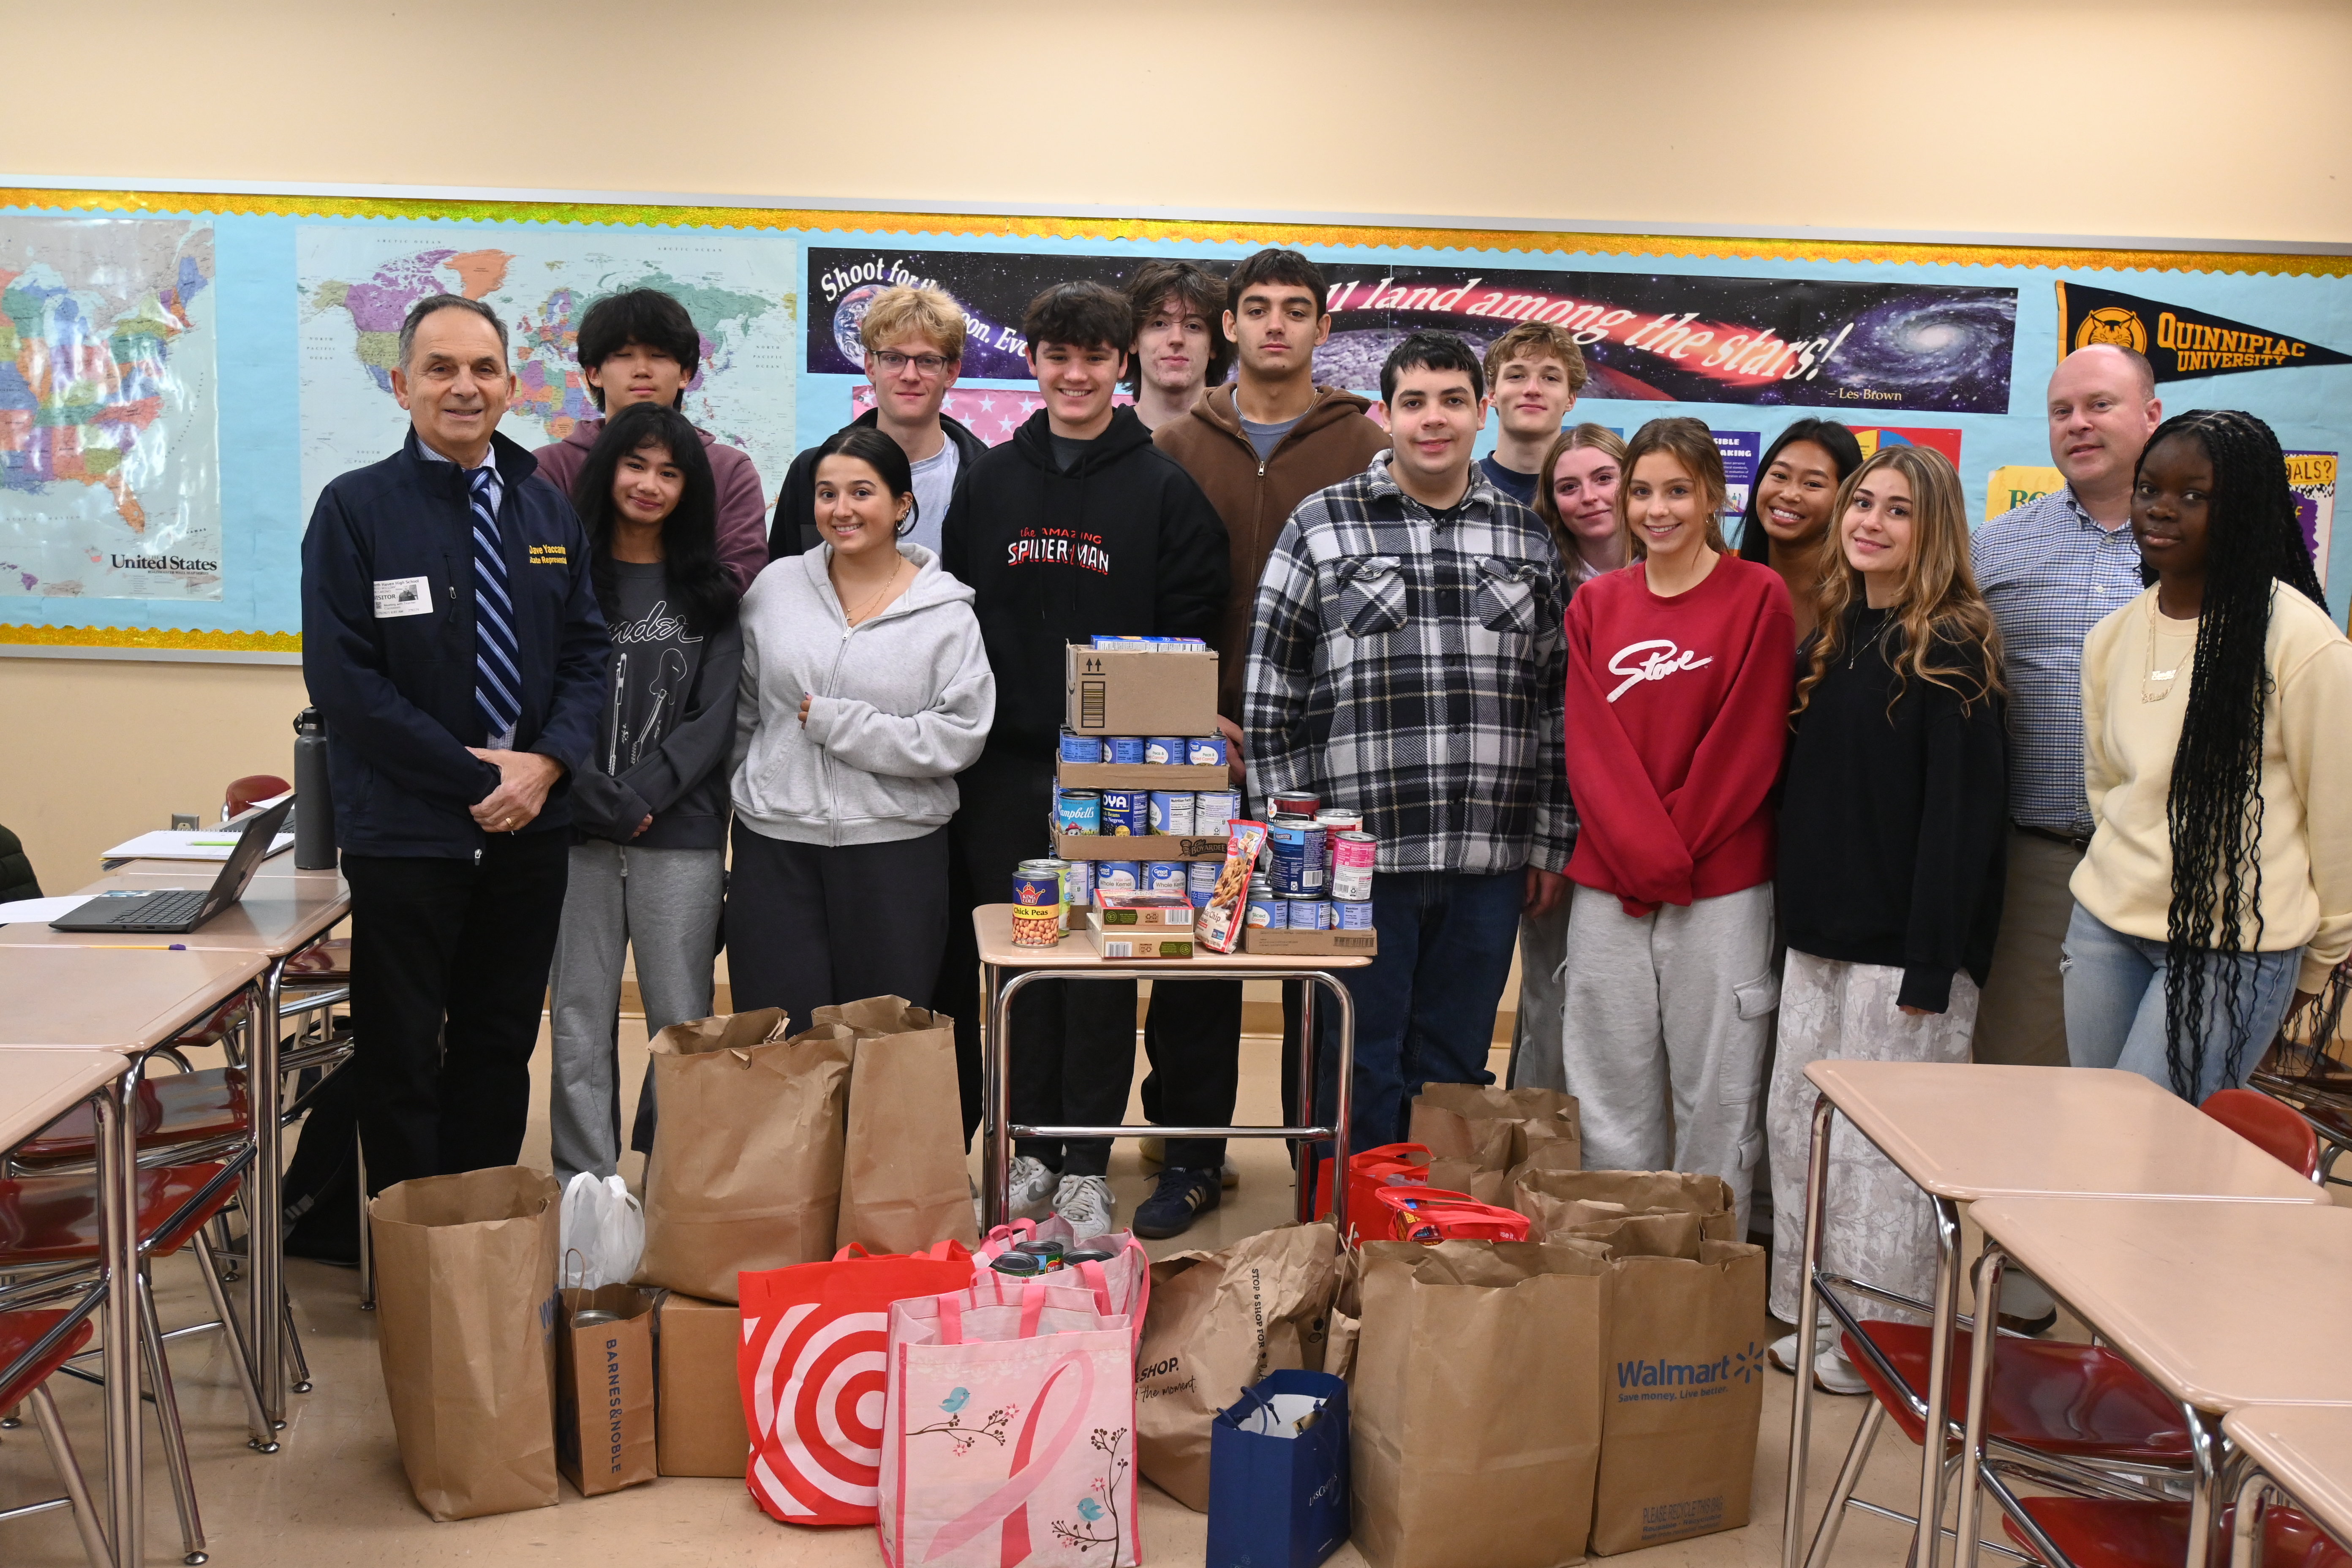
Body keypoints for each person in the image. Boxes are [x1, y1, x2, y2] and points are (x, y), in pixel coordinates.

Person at [939, 281, 1228, 1239]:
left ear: (1121, 366)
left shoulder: (1164, 490)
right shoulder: (988, 481)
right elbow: (958, 619)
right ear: (1032, 361)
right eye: (1057, 355)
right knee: (1020, 967)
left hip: (1119, 777)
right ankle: (1023, 1147)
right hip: (1002, 767)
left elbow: (1191, 633)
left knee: (1102, 972)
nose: (1074, 373)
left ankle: (1085, 1164)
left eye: (1094, 357)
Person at [301, 293, 608, 1195]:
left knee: (499, 1043)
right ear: (400, 385)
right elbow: (347, 684)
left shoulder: (547, 510)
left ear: (512, 386)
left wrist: (545, 766)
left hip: (530, 833)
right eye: (440, 368)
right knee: (399, 1055)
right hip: (409, 834)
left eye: (482, 368)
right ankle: (414, 1262)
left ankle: (479, 1248)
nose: (463, 386)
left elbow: (589, 655)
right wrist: (479, 776)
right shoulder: (355, 509)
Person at [1244, 329, 1571, 1164]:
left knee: (1454, 1070)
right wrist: (1294, 846)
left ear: (1481, 412)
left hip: (1484, 865)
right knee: (1355, 1065)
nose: (1435, 419)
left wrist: (1546, 839)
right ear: (1385, 415)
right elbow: (1272, 690)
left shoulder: (1526, 540)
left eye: (1454, 401)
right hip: (1359, 863)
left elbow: (1553, 706)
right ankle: (1342, 1243)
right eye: (1415, 402)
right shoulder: (1319, 526)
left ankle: (1428, 1264)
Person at [1149, 247, 1388, 1233]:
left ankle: (1316, 1168)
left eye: (1296, 309)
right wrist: (1184, 702)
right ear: (1230, 328)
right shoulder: (1174, 443)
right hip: (1197, 747)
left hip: (1325, 754)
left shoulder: (1363, 446)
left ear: (1324, 329)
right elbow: (1151, 602)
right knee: (1192, 965)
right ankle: (1188, 1158)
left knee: (1314, 970)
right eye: (1257, 309)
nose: (1276, 325)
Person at [1762, 445, 2008, 1392]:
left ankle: (1886, 1343)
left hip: (1906, 958)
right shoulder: (1835, 636)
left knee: (1885, 1161)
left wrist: (1931, 967)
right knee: (1803, 1132)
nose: (1869, 520)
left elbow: (1963, 823)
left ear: (1932, 529)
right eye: (1862, 502)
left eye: (1896, 510)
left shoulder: (1953, 644)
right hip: (1819, 940)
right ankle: (1818, 1312)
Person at [2065, 409, 2352, 1101]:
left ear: (2246, 510)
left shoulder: (2300, 643)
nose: (2161, 509)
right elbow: (2107, 789)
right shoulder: (2111, 636)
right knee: (2091, 1147)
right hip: (2105, 930)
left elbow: (2337, 820)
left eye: (2194, 495)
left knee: (2146, 1160)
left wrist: (2313, 967)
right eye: (2149, 489)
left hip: (2231, 949)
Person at [1555, 416, 1793, 1237]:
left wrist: (1668, 857)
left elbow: (1747, 744)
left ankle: (1703, 1260)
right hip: (1613, 880)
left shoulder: (1758, 594)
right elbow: (1592, 747)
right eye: (1643, 491)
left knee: (1717, 1085)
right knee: (1608, 1080)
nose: (1657, 510)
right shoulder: (1596, 602)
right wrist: (1644, 859)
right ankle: (1622, 1252)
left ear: (1713, 497)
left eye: (1677, 491)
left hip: (1720, 883)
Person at [729, 425, 994, 1025]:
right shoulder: (775, 589)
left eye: (861, 493)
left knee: (885, 1052)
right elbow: (746, 714)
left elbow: (960, 735)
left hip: (897, 853)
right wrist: (754, 792)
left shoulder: (947, 613)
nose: (841, 510)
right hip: (775, 848)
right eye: (827, 494)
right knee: (780, 1046)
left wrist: (840, 724)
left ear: (902, 505)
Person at [545, 403, 743, 1186]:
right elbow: (547, 697)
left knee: (681, 1022)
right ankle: (585, 1186)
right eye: (636, 466)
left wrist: (641, 794)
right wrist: (596, 794)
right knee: (579, 1019)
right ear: (607, 472)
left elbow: (713, 716)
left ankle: (675, 1185)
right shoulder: (565, 578)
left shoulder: (712, 591)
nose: (650, 484)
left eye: (670, 472)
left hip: (681, 834)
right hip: (575, 834)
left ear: (689, 488)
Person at [1971, 345, 2163, 1067]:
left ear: (2150, 414)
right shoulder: (1995, 548)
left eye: (2098, 405)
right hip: (2038, 869)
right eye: (2061, 411)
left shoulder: (2207, 548)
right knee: (2014, 1084)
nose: (2077, 424)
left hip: (2167, 865)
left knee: (2149, 1103)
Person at [1506, 423, 1627, 1095]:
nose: (1589, 498)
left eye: (1603, 478)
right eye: (1568, 486)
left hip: (1646, 822)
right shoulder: (1541, 577)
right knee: (1551, 991)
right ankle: (1541, 1156)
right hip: (1559, 818)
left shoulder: (1689, 571)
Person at [530, 287, 768, 591]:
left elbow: (744, 577)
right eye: (624, 356)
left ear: (686, 374)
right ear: (594, 374)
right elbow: (541, 577)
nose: (642, 370)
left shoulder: (729, 469)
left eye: (659, 356)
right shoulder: (550, 468)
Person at [770, 285, 988, 561]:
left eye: (928, 361)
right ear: (871, 367)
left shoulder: (990, 480)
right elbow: (784, 582)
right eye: (893, 359)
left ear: (952, 372)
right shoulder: (809, 473)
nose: (910, 375)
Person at [1734, 418, 1865, 644]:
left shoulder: (1864, 604)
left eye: (1813, 484)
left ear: (1845, 498)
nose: (1790, 494)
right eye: (1780, 476)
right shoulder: (1726, 590)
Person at [1478, 321, 1589, 505]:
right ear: (1492, 395)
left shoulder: (1593, 497)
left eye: (1550, 378)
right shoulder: (1460, 489)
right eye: (1516, 376)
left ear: (1570, 399)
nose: (1533, 389)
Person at [1125, 259, 1231, 431]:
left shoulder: (1241, 443)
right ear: (1133, 341)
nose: (1176, 339)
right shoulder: (1104, 445)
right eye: (1159, 324)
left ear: (1213, 345)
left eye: (1193, 326)